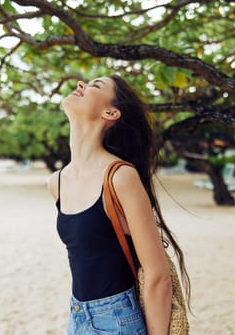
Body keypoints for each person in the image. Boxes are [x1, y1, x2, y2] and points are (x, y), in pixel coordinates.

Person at [46, 75, 191, 335]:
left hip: (117, 319)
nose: (81, 85)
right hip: (77, 316)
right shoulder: (57, 182)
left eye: (95, 85)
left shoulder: (120, 176)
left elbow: (157, 276)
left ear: (110, 112)